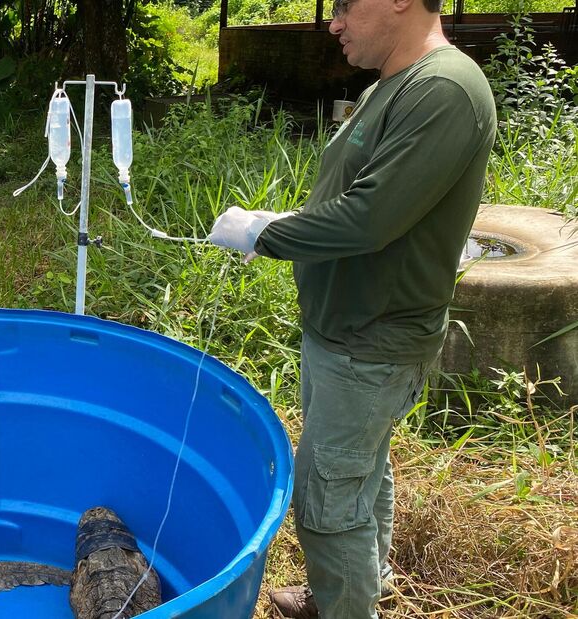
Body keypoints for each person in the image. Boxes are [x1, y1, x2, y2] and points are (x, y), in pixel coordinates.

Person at [205, 0, 496, 615]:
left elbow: (370, 219)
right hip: (344, 330)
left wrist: (265, 232)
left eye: (344, 5)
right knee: (359, 471)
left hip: (372, 340)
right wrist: (281, 223)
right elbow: (355, 196)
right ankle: (358, 585)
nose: (332, 23)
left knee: (326, 500)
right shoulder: (391, 86)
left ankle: (345, 604)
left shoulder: (444, 89)